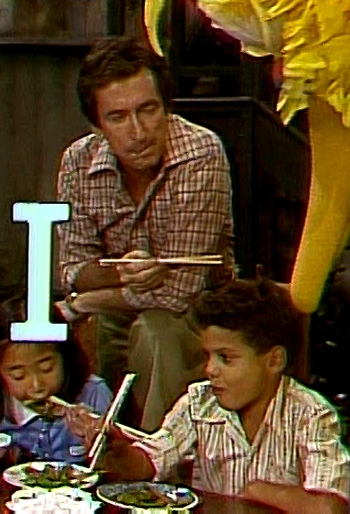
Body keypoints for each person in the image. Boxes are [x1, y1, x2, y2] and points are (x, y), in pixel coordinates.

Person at [55, 36, 235, 430]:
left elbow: (178, 292)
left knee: (155, 333)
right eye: (118, 117)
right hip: (116, 314)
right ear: (96, 125)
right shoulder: (78, 162)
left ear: (167, 108)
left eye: (148, 110)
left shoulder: (201, 154)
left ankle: (156, 458)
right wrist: (121, 273)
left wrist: (88, 300)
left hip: (197, 312)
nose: (138, 132)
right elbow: (73, 270)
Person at [89, 278, 350, 512]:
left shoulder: (311, 415)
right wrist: (120, 452)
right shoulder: (199, 403)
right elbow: (152, 461)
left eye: (225, 358)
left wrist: (259, 491)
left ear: (274, 361)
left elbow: (329, 508)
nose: (210, 369)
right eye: (208, 356)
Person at [0, 296, 112, 463]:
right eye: (19, 376)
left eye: (47, 369)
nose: (37, 387)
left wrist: (101, 444)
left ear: (66, 356)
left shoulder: (95, 394)